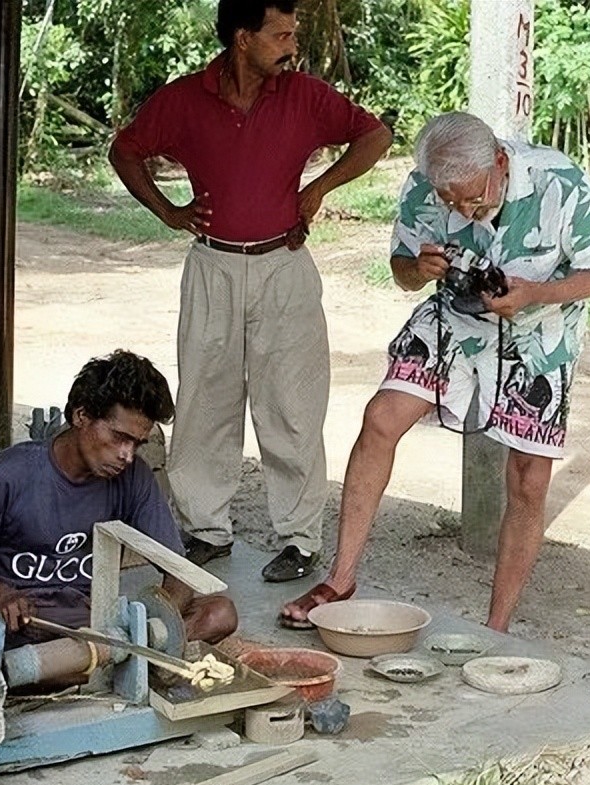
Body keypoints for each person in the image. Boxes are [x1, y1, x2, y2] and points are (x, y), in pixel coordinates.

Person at [279, 112, 590, 632]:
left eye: (473, 200)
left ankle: (496, 627)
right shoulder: (426, 184)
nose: (462, 210)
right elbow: (402, 274)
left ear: (500, 164)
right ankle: (341, 578)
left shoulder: (562, 182)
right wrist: (418, 268)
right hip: (453, 320)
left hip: (537, 333)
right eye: (451, 202)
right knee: (380, 418)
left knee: (529, 480)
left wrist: (535, 294)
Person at [108, 0, 392, 584]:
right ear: (243, 38)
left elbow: (375, 135)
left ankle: (299, 539)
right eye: (281, 35)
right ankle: (206, 530)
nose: (292, 45)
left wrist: (319, 187)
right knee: (204, 402)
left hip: (283, 267)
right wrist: (167, 211)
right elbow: (126, 150)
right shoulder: (185, 99)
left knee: (291, 406)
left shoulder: (306, 95)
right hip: (211, 267)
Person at [0, 351, 238, 654]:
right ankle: (96, 663)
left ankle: (90, 661)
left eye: (137, 443)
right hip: (17, 622)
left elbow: (178, 570)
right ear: (81, 416)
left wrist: (157, 623)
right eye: (119, 437)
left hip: (93, 623)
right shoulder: (2, 476)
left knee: (219, 613)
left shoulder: (135, 477)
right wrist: (2, 594)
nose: (127, 454)